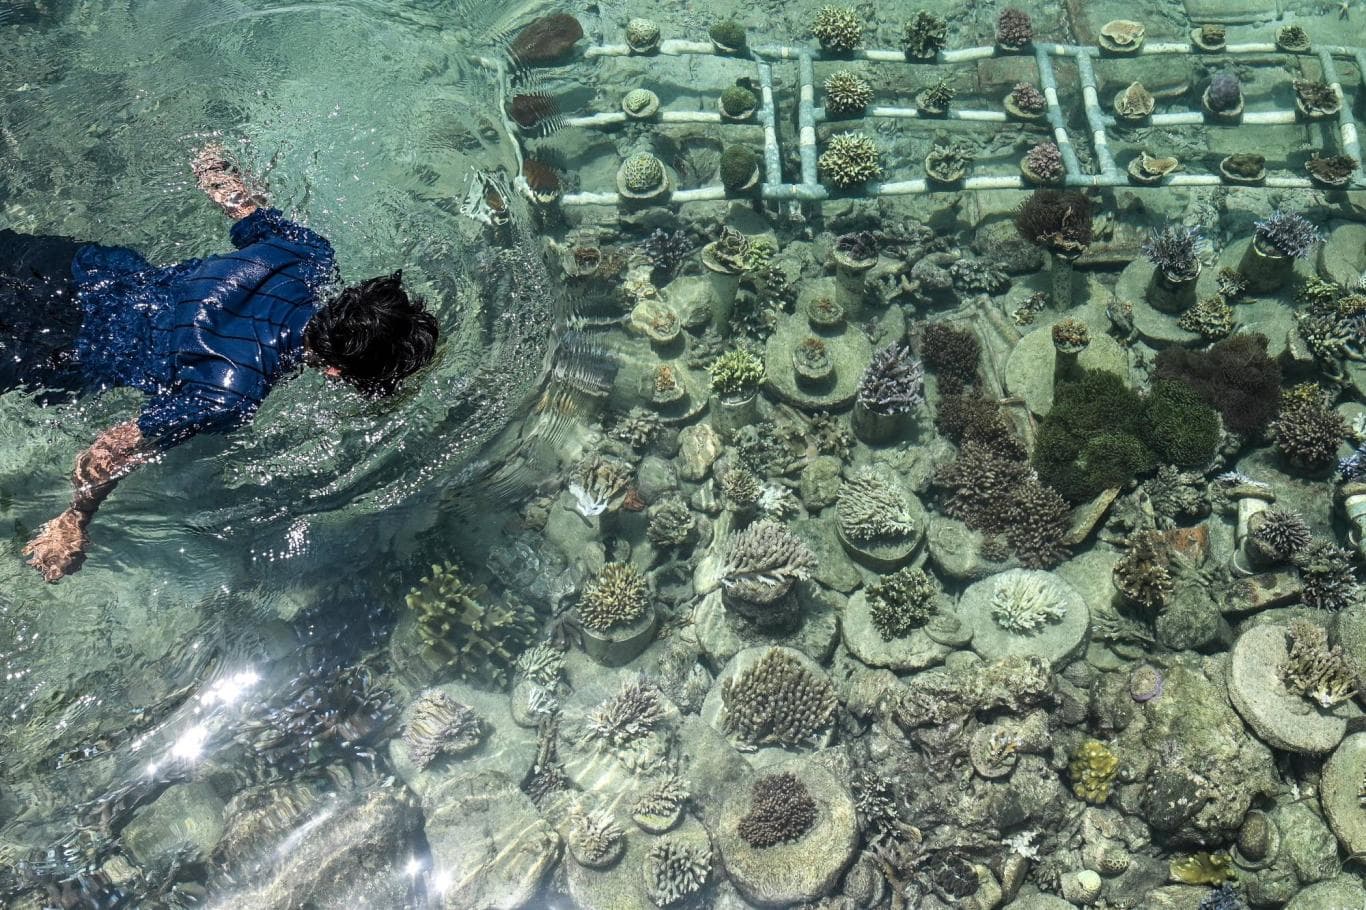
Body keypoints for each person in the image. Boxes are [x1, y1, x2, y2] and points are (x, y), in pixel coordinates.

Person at [4, 143, 439, 582]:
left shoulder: (308, 254)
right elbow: (110, 448)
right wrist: (74, 520)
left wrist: (212, 164)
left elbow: (233, 197)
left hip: (85, 272)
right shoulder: (231, 392)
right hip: (60, 353)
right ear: (334, 370)